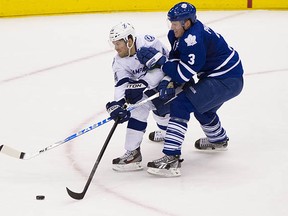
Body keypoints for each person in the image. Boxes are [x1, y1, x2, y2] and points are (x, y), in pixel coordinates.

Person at [137, 2, 244, 177]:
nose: (172, 27)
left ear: (187, 23)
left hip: (227, 80)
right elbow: (176, 59)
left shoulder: (193, 39)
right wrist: (167, 78)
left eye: (175, 23)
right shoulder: (178, 34)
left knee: (183, 103)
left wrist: (161, 63)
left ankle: (171, 158)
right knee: (202, 108)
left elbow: (183, 74)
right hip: (221, 76)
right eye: (170, 22)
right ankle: (218, 140)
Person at [106, 22, 171, 171]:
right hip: (147, 90)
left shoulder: (149, 42)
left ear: (129, 40)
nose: (116, 48)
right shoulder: (119, 61)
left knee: (164, 115)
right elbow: (121, 83)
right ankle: (133, 153)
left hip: (167, 85)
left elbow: (166, 65)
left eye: (118, 43)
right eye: (114, 44)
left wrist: (143, 82)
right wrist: (118, 103)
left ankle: (167, 133)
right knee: (137, 110)